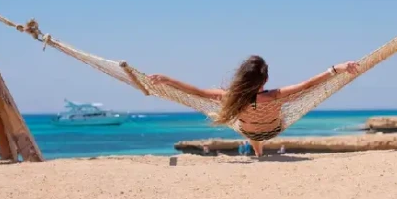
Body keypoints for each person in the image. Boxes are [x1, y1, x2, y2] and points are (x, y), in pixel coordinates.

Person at [147, 55, 359, 157]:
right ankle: (259, 149)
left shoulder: (231, 96)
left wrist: (167, 80)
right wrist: (336, 69)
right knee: (265, 122)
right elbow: (309, 85)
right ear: (264, 80)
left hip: (249, 129)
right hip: (273, 128)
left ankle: (257, 150)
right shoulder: (277, 95)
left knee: (246, 126)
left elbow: (196, 92)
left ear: (241, 79)